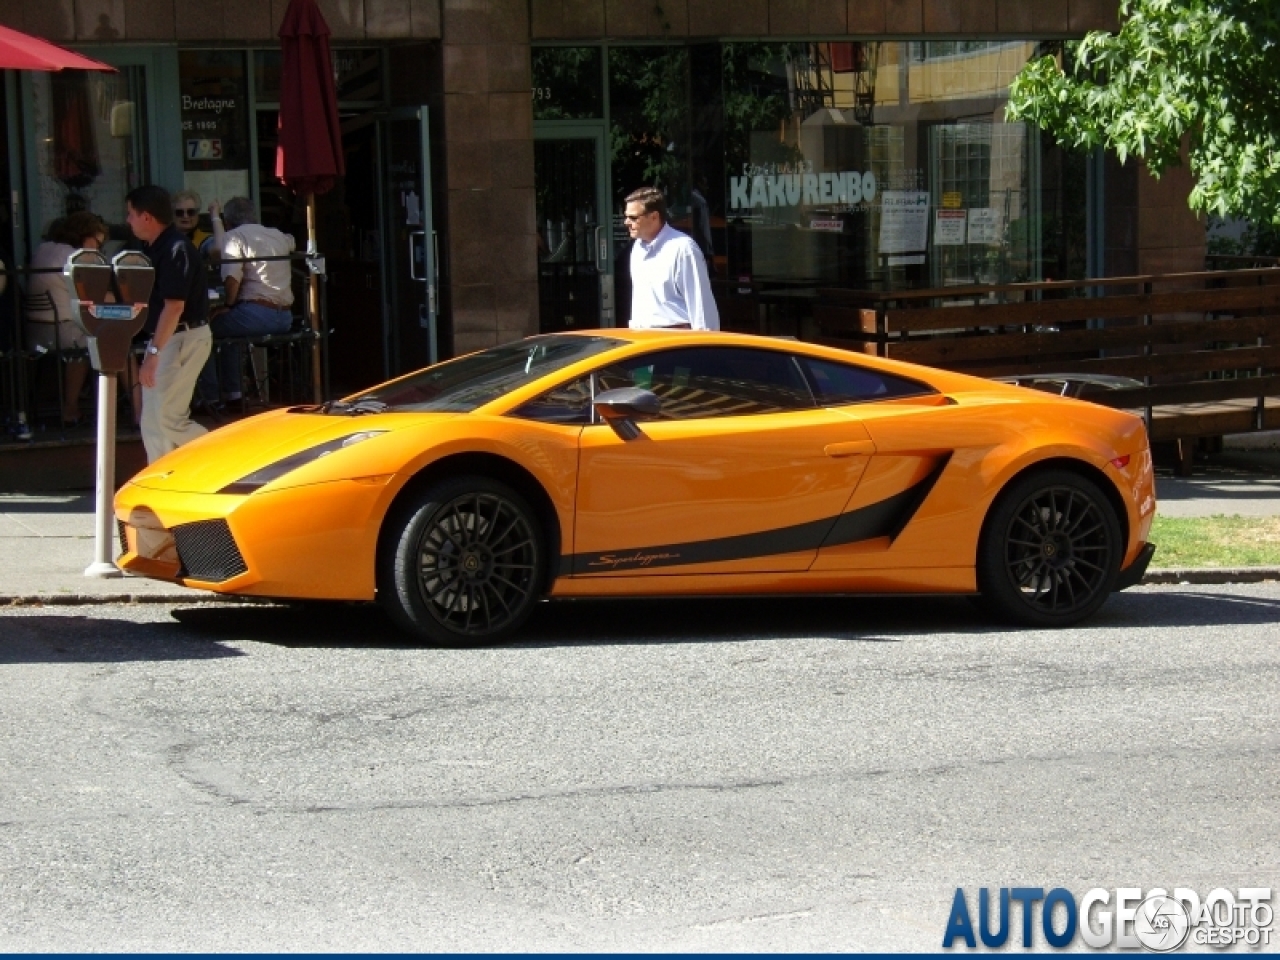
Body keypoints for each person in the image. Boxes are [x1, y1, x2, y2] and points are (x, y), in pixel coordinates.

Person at [125, 184, 211, 463]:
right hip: (168, 338)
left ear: (146, 217)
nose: (127, 220)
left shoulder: (176, 249)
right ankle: (161, 479)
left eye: (130, 214)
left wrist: (152, 354)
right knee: (152, 421)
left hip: (183, 337)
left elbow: (174, 306)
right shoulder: (155, 249)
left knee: (169, 418)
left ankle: (227, 457)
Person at [196, 196, 296, 408]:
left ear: (229, 221)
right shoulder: (278, 235)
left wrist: (228, 305)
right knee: (229, 332)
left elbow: (232, 278)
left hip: (257, 315)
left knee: (202, 331)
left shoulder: (234, 237)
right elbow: (292, 242)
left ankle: (211, 398)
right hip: (285, 317)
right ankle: (234, 394)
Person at [25, 211, 107, 425]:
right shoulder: (74, 257)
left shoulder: (44, 249)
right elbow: (95, 296)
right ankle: (71, 408)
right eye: (97, 243)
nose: (98, 248)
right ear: (85, 236)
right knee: (98, 341)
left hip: (33, 332)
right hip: (61, 332)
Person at [624, 185, 719, 331]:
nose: (626, 222)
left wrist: (706, 349)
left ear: (654, 216)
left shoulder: (682, 248)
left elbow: (701, 306)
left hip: (674, 341)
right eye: (626, 216)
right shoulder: (638, 248)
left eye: (633, 217)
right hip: (642, 340)